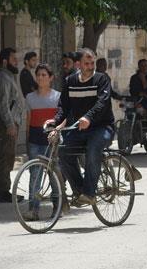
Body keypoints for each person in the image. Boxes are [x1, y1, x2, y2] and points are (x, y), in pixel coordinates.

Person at [46, 48, 116, 207]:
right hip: (80, 129)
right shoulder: (70, 81)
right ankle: (79, 191)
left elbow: (102, 102)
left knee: (93, 148)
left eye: (92, 63)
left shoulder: (101, 79)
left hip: (103, 128)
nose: (91, 66)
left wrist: (88, 117)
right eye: (87, 63)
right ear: (78, 64)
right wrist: (55, 122)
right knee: (64, 152)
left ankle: (89, 193)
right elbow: (64, 106)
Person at [0, 48, 27, 203]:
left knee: (6, 155)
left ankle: (1, 190)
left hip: (10, 122)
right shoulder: (2, 77)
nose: (16, 62)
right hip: (5, 123)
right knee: (3, 156)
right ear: (5, 61)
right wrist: (10, 124)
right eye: (13, 59)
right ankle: (1, 191)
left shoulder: (8, 76)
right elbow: (3, 104)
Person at [24, 64, 61, 216]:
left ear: (51, 78)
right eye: (38, 75)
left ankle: (57, 207)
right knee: (35, 175)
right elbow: (28, 120)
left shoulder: (57, 97)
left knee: (54, 175)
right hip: (35, 140)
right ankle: (33, 210)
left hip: (52, 141)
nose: (40, 77)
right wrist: (27, 140)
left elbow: (61, 119)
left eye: (44, 75)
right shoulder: (30, 97)